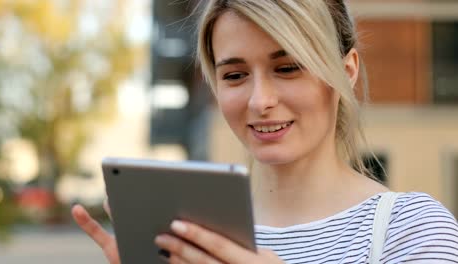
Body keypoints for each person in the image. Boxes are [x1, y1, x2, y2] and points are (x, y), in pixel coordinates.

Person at [72, 0, 458, 263]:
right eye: (235, 75)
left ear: (348, 70)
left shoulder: (412, 231)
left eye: (287, 67)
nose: (260, 100)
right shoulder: (192, 239)